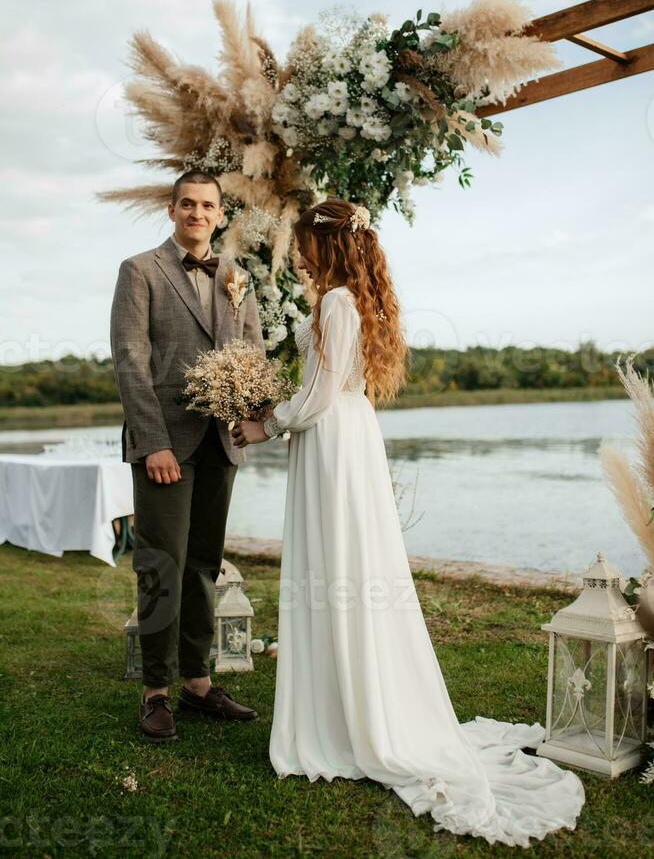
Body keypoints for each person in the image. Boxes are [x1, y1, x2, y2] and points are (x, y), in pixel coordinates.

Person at [232, 198, 585, 847]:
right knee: (344, 566)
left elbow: (317, 394)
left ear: (328, 245)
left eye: (307, 241)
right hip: (346, 437)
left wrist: (264, 422)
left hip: (332, 441)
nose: (301, 252)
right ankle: (346, 702)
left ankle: (345, 722)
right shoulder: (348, 300)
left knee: (336, 564)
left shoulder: (337, 302)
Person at [110, 169, 263, 741]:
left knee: (204, 563)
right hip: (165, 446)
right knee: (160, 564)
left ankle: (198, 683)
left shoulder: (236, 276)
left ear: (220, 215)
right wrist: (153, 443)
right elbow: (130, 360)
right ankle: (155, 691)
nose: (198, 214)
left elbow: (251, 352)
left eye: (208, 206)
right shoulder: (139, 271)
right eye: (188, 205)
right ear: (172, 210)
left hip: (220, 441)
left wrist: (252, 414)